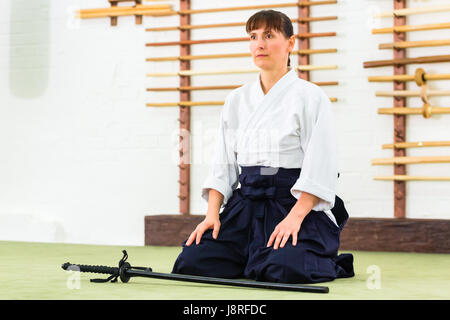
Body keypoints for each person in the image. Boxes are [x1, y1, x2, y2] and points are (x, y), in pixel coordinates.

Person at [171, 9, 354, 284]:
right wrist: (211, 215)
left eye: (269, 35)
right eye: (254, 36)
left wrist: (295, 218)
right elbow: (223, 166)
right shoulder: (236, 100)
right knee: (192, 262)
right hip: (245, 207)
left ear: (290, 43)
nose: (259, 44)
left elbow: (321, 166)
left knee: (282, 269)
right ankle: (253, 254)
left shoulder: (311, 97)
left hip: (291, 203)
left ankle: (305, 254)